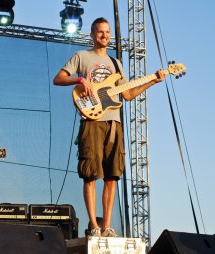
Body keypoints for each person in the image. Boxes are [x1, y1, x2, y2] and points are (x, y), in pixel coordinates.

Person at [53, 17, 166, 237]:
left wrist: (153, 80)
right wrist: (79, 81)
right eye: (100, 32)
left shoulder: (116, 64)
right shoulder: (81, 56)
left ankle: (106, 227)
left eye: (107, 32)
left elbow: (127, 94)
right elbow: (58, 79)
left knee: (112, 175)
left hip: (114, 123)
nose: (105, 36)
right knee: (90, 174)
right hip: (92, 120)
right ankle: (94, 226)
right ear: (92, 35)